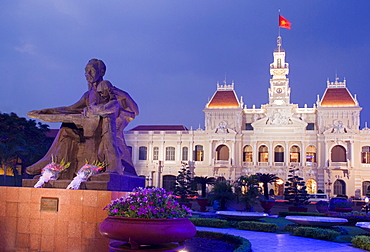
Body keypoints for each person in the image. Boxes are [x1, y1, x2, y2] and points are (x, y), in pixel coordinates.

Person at [26, 59, 139, 179]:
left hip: (105, 129)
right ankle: (56, 165)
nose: (87, 74)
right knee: (67, 128)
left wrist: (99, 108)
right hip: (89, 127)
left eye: (91, 70)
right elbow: (69, 109)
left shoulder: (111, 91)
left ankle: (102, 168)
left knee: (108, 146)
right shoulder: (88, 95)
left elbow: (134, 110)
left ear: (102, 72)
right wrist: (43, 111)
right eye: (86, 71)